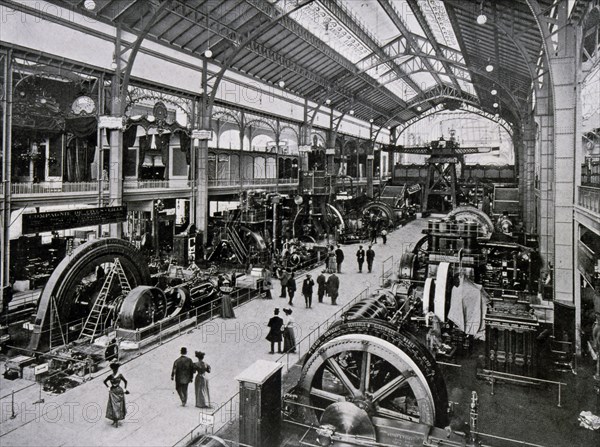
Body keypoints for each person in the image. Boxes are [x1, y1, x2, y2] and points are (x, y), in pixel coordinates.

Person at [103, 362, 128, 427]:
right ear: (112, 369)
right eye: (114, 369)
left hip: (119, 391)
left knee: (118, 407)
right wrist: (108, 387)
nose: (115, 370)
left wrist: (125, 389)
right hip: (112, 392)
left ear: (117, 369)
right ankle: (115, 420)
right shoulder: (110, 376)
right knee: (113, 406)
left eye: (116, 369)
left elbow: (125, 381)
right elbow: (104, 381)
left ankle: (116, 420)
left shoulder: (120, 375)